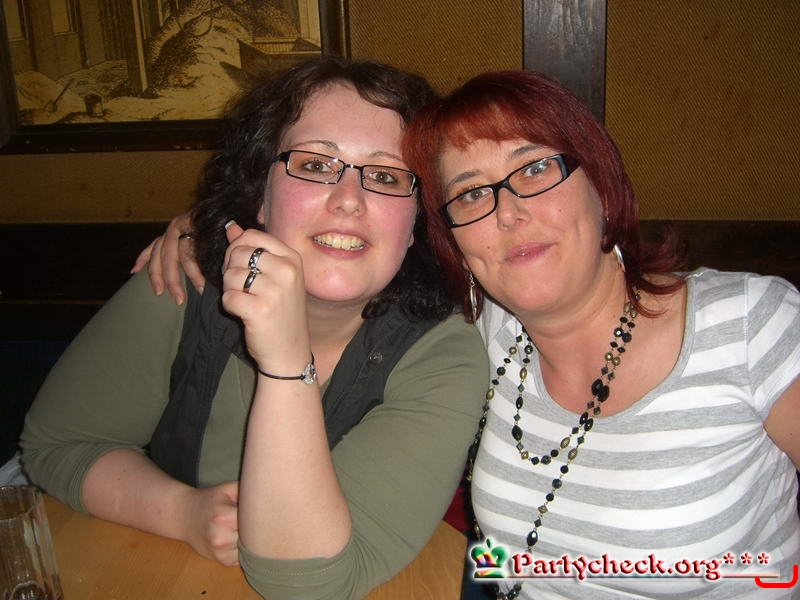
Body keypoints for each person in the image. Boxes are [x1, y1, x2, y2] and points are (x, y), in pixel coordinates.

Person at [19, 57, 489, 600]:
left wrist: (287, 365)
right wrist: (182, 512)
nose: (348, 199)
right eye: (314, 164)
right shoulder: (186, 282)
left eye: (385, 176)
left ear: (417, 222)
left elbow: (309, 581)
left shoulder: (443, 353)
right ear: (260, 195)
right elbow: (55, 445)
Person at [401, 70, 800, 599]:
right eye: (472, 194)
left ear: (601, 187)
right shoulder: (487, 331)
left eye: (535, 168)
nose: (509, 213)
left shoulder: (749, 324)